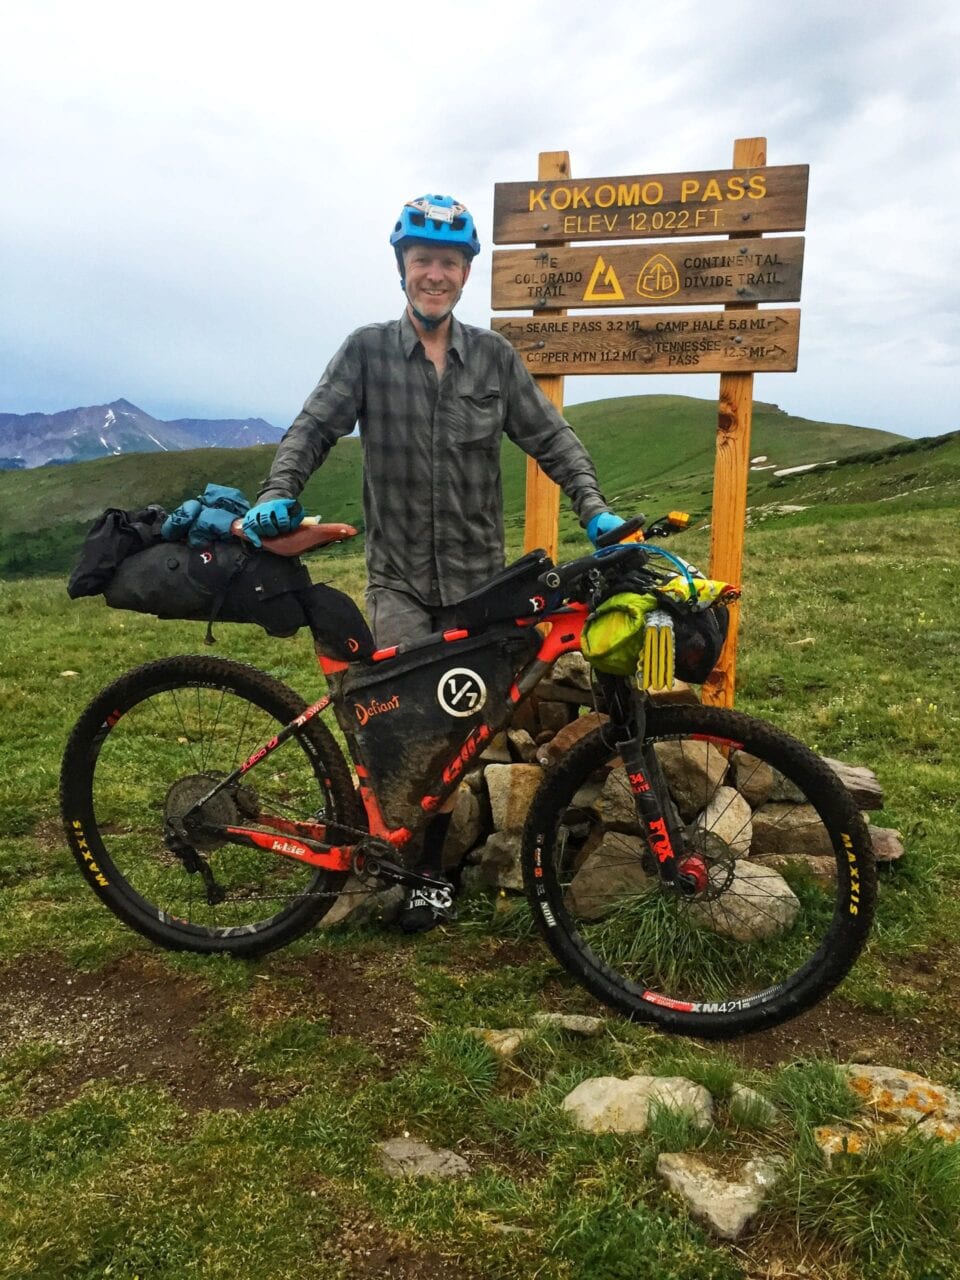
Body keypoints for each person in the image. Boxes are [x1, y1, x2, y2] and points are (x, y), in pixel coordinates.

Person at [244, 193, 623, 930]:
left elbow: (552, 437)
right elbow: (313, 427)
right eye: (423, 261)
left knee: (464, 729)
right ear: (403, 269)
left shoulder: (493, 358)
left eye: (449, 263)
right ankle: (414, 871)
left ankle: (429, 859)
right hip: (400, 578)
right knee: (405, 724)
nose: (435, 275)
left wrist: (593, 506)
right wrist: (278, 489)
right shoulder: (366, 351)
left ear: (465, 272)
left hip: (482, 580)